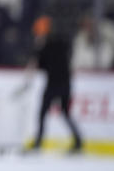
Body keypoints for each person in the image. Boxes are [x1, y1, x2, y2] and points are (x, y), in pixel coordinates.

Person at [27, 15, 83, 153]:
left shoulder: (45, 46)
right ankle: (78, 140)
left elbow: (41, 64)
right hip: (65, 83)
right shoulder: (61, 42)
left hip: (53, 84)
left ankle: (39, 141)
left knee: (43, 112)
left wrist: (38, 49)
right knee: (65, 112)